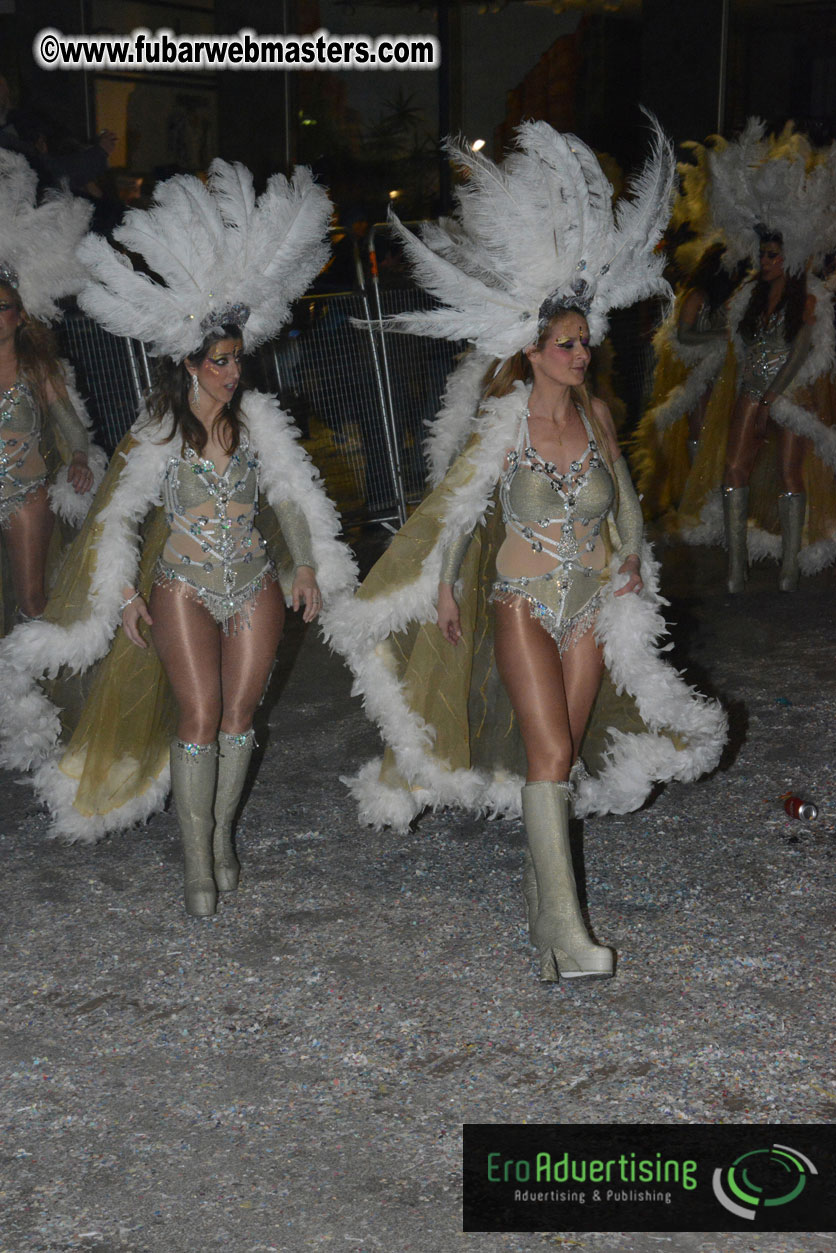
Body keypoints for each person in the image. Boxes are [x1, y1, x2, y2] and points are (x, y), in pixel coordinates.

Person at [323, 121, 727, 983]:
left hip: (592, 606)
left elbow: (625, 505)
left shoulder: (599, 415)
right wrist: (444, 586)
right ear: (533, 352)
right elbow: (457, 508)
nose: (583, 354)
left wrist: (630, 558)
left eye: (587, 342)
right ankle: (570, 933)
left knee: (563, 759)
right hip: (521, 604)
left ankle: (550, 928)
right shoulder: (502, 423)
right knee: (547, 757)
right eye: (567, 344)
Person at [0, 160, 357, 917]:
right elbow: (119, 516)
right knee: (198, 715)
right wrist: (123, 592)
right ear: (190, 363)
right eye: (220, 362)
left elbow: (292, 495)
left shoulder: (260, 423)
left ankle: (221, 834)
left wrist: (303, 565)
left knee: (240, 717)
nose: (233, 372)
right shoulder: (159, 429)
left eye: (237, 359)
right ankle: (197, 857)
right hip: (182, 585)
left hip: (253, 581)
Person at [672, 121, 836, 591]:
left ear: (790, 257)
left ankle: (788, 565)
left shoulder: (809, 299)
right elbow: (733, 342)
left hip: (791, 393)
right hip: (751, 387)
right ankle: (736, 563)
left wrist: (773, 398)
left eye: (772, 255)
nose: (764, 261)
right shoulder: (749, 296)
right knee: (733, 467)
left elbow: (802, 350)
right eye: (762, 254)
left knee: (789, 470)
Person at [0, 150, 105, 632]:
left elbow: (71, 426)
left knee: (32, 600)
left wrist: (80, 459)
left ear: (21, 315)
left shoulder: (39, 367)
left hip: (25, 493)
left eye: (2, 307)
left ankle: (30, 673)